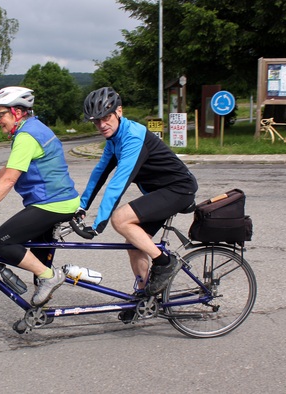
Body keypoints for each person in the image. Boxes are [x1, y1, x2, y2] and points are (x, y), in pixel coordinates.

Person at [77, 87, 198, 319]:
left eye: (106, 117)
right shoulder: (114, 139)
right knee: (135, 244)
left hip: (177, 189)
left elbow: (119, 182)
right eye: (96, 121)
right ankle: (143, 300)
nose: (102, 125)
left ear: (119, 111)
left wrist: (98, 224)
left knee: (120, 219)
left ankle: (165, 262)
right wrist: (82, 207)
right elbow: (99, 173)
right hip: (161, 192)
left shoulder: (133, 136)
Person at [0, 86, 80, 307]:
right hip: (53, 201)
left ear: (17, 112)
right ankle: (38, 311)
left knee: (0, 241)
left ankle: (50, 277)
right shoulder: (30, 129)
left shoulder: (27, 135)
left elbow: (9, 180)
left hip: (53, 203)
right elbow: (8, 168)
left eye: (1, 114)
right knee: (37, 260)